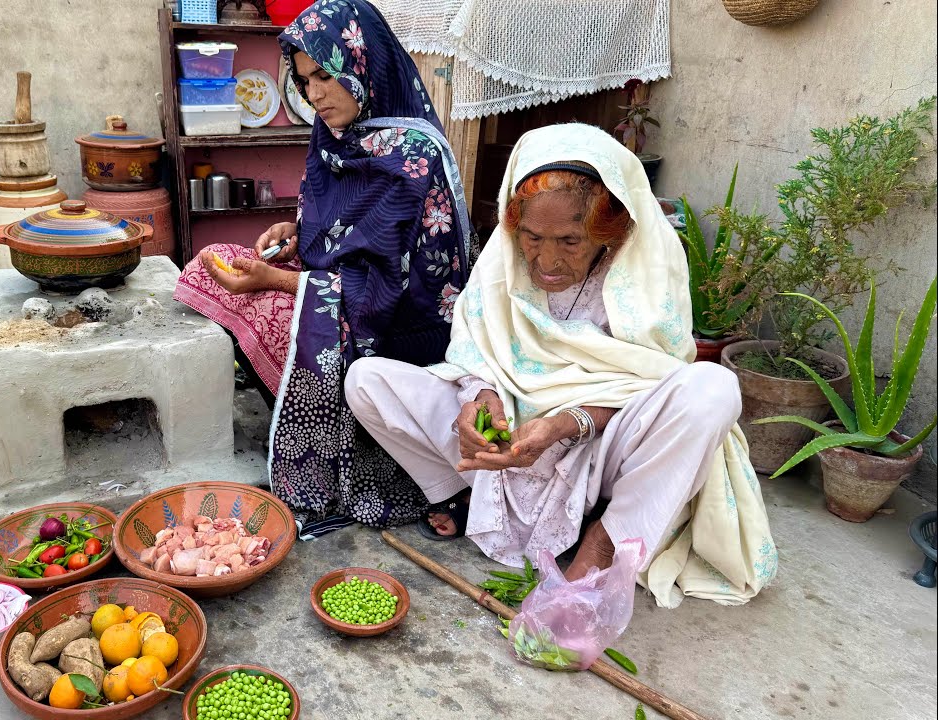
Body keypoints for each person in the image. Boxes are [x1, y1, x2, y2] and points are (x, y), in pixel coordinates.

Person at [345, 123, 777, 606]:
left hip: (600, 451)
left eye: (570, 241)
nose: (546, 261)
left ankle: (602, 544)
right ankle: (468, 498)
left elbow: (654, 382)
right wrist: (482, 403)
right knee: (367, 380)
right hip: (506, 448)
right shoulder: (504, 259)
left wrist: (564, 424)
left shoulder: (645, 270)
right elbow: (476, 351)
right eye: (532, 237)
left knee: (713, 389)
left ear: (608, 230)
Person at [173, 0, 474, 536]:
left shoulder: (413, 156)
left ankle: (359, 455)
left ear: (361, 65)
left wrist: (278, 281)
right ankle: (292, 398)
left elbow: (394, 287)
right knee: (205, 268)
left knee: (265, 305)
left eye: (326, 77)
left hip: (398, 329)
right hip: (334, 293)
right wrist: (294, 237)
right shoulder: (333, 134)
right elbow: (334, 227)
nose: (314, 95)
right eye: (304, 79)